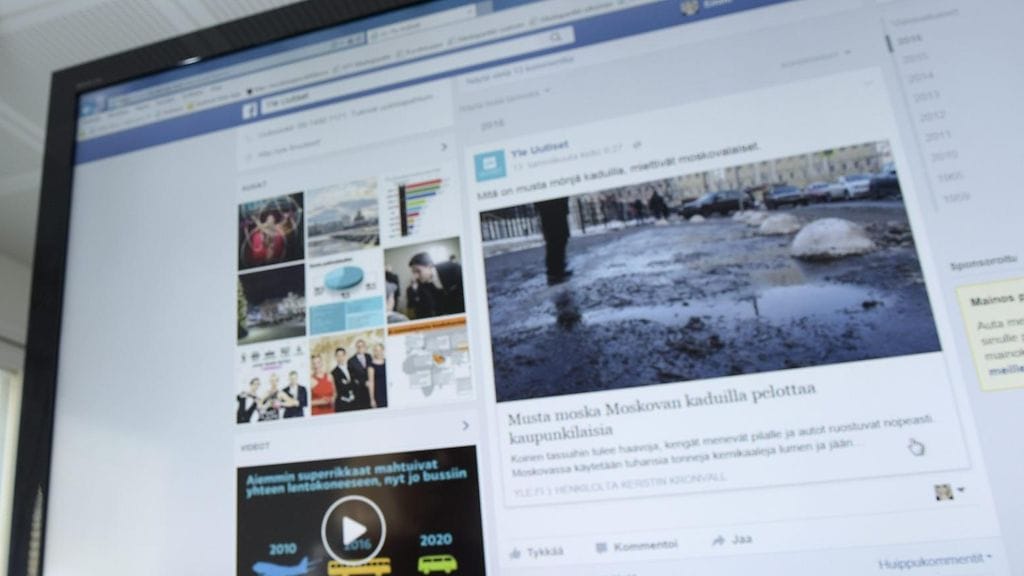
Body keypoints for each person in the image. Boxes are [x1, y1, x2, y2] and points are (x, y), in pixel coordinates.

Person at [406, 251, 464, 318]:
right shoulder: (421, 282)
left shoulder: (453, 268)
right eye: (413, 272)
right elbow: (430, 305)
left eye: (418, 271)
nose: (416, 276)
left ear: (429, 266)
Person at [534, 197, 572, 285]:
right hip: (551, 210)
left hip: (556, 209)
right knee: (555, 240)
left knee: (560, 239)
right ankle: (554, 273)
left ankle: (558, 270)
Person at [347, 339, 373, 409]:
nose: (360, 348)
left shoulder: (369, 356)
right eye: (358, 346)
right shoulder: (351, 361)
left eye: (362, 346)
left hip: (371, 389)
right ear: (356, 348)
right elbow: (352, 377)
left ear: (365, 347)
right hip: (359, 391)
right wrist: (364, 382)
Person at [367, 343, 387, 409]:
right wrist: (372, 399)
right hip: (378, 394)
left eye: (380, 350)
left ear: (383, 350)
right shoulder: (371, 365)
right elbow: (371, 383)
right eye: (376, 350)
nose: (378, 352)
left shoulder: (388, 362)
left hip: (388, 392)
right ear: (374, 352)